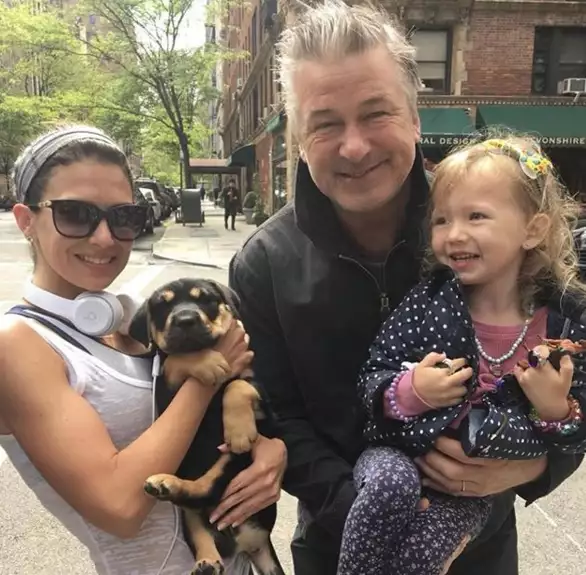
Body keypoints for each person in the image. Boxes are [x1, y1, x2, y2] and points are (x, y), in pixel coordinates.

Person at [228, 2, 583, 574]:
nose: (354, 146)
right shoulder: (264, 263)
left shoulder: (487, 225)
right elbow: (280, 418)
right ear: (298, 139)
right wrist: (377, 517)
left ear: (415, 118)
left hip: (481, 547)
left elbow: (573, 358)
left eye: (376, 113)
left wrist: (539, 466)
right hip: (338, 544)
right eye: (325, 123)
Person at [0, 125, 286, 575]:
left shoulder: (134, 319)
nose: (104, 238)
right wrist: (208, 377)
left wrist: (270, 450)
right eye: (74, 214)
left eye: (124, 216)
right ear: (25, 220)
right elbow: (121, 507)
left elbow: (222, 421)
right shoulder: (18, 345)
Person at [337, 135, 586, 575]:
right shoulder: (429, 301)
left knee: (420, 558)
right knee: (387, 490)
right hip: (399, 456)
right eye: (441, 220)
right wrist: (411, 391)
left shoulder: (563, 330)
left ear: (533, 229)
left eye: (476, 216)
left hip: (471, 494)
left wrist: (553, 410)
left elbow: (575, 437)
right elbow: (374, 372)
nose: (454, 234)